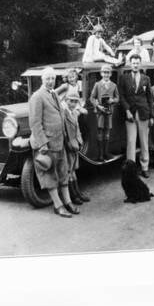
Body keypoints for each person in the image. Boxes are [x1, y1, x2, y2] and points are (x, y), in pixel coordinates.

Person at [29, 67, 79, 218]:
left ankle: (68, 202)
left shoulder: (54, 94)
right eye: (48, 79)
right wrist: (43, 144)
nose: (51, 81)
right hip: (47, 144)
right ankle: (58, 205)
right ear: (42, 80)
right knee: (49, 175)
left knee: (63, 173)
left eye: (53, 79)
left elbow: (62, 114)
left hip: (59, 141)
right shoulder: (37, 97)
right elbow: (35, 123)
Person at [118, 54, 154, 178]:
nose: (135, 65)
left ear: (140, 64)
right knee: (131, 141)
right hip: (130, 114)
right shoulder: (124, 78)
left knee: (144, 142)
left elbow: (149, 97)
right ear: (130, 64)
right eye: (133, 63)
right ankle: (131, 170)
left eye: (137, 63)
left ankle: (145, 167)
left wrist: (152, 116)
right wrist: (127, 110)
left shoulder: (146, 78)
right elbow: (121, 96)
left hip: (144, 113)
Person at [63, 93, 90, 204]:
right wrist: (68, 143)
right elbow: (63, 131)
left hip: (75, 144)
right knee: (69, 170)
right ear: (66, 100)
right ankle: (73, 195)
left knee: (73, 170)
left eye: (75, 101)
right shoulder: (64, 113)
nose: (73, 104)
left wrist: (80, 141)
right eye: (71, 101)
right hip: (68, 145)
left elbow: (77, 128)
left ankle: (78, 192)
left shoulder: (74, 112)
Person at [90, 64, 120, 161]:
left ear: (110, 74)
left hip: (109, 112)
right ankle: (100, 154)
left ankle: (106, 153)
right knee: (100, 132)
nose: (106, 75)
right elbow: (92, 97)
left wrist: (113, 100)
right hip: (100, 112)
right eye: (104, 72)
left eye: (108, 73)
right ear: (101, 73)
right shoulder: (97, 85)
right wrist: (98, 105)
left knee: (107, 133)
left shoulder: (114, 85)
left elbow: (117, 98)